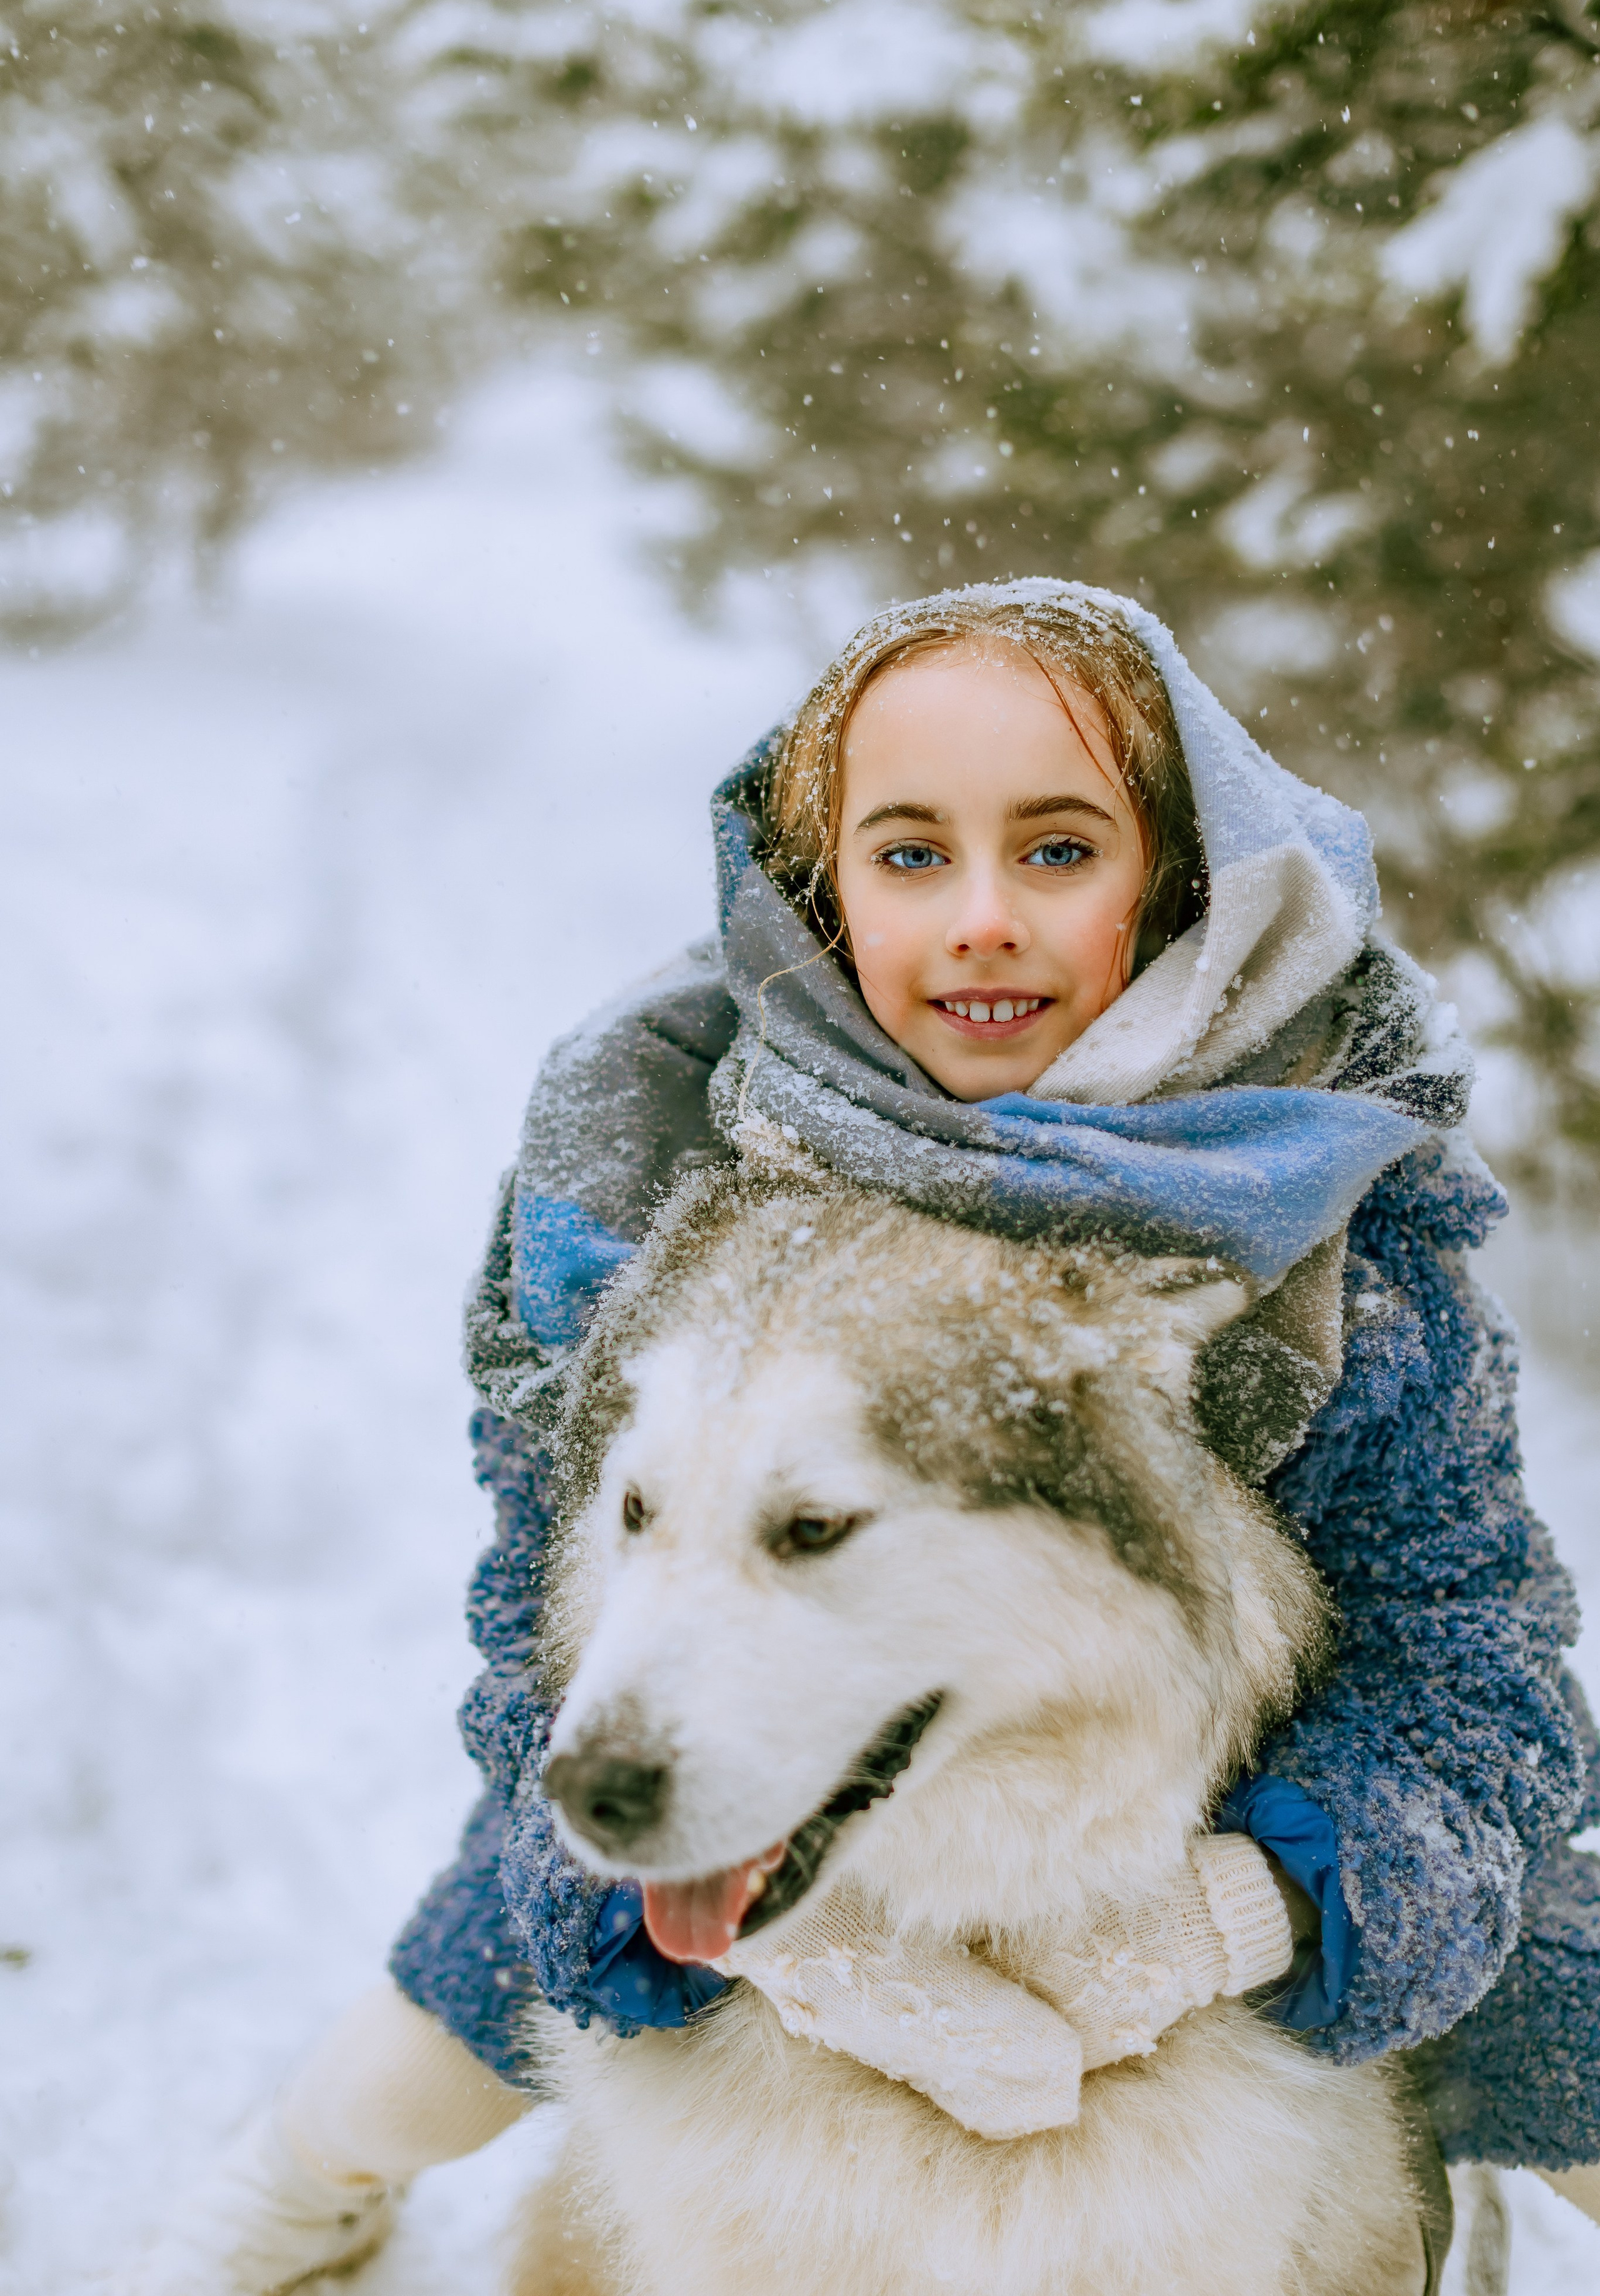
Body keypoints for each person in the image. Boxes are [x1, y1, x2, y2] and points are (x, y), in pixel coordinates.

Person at [122, 582, 1600, 2294]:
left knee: (1561, 1989)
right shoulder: (647, 1169)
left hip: (1260, 1833)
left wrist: (1247, 1907)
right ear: (819, 891)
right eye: (909, 856)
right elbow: (538, 1647)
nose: (982, 919)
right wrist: (798, 1959)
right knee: (458, 2006)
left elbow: (1480, 1674)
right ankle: (304, 2172)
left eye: (1056, 851)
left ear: (1177, 871)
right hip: (780, 1826)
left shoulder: (1341, 1201)